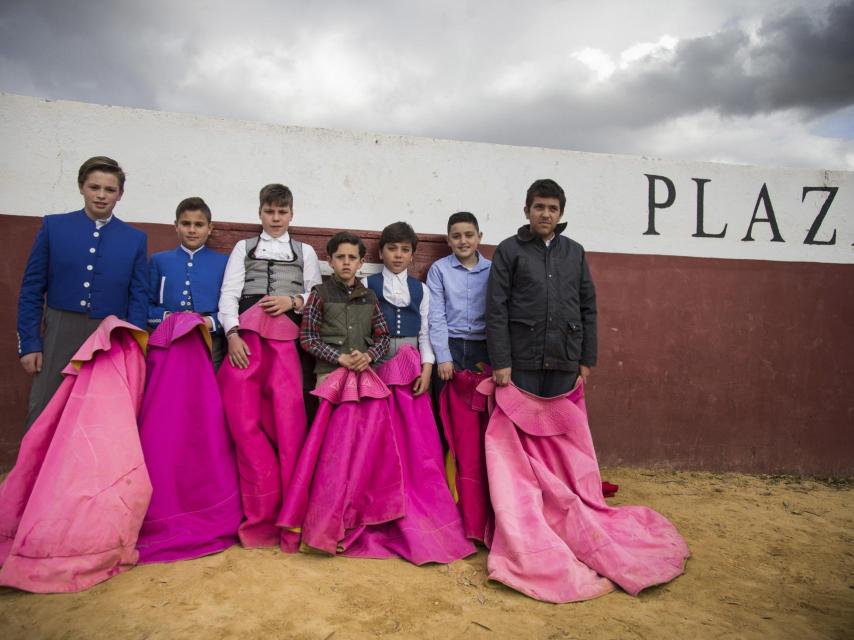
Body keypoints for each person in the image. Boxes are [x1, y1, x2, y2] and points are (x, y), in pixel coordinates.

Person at [17, 156, 148, 429]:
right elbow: (31, 289)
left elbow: (138, 296)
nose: (101, 195)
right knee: (44, 406)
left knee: (99, 412)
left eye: (109, 190)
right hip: (59, 329)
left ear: (120, 194)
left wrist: (133, 346)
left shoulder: (135, 239)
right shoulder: (54, 227)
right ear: (81, 187)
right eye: (94, 187)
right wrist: (29, 343)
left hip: (108, 334)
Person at [486, 178, 597, 397]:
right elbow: (496, 308)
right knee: (521, 419)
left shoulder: (575, 252)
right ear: (526, 211)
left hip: (565, 358)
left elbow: (588, 308)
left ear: (560, 214)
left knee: (560, 420)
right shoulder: (509, 250)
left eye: (553, 209)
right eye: (539, 207)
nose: (546, 214)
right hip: (522, 359)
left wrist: (587, 360)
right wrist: (501, 362)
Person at [218, 183, 322, 370]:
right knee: (242, 379)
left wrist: (292, 301)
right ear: (259, 213)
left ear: (291, 214)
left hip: (288, 327)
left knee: (281, 382)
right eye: (269, 211)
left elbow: (316, 295)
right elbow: (230, 293)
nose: (275, 218)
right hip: (248, 327)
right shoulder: (243, 247)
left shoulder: (305, 251)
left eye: (282, 212)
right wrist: (232, 335)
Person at [147, 197, 228, 368]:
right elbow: (145, 304)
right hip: (167, 340)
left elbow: (231, 306)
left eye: (199, 225)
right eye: (186, 224)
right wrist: (167, 318)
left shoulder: (223, 263)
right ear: (176, 226)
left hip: (209, 343)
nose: (192, 230)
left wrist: (209, 322)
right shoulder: (159, 260)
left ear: (210, 228)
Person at [299, 231, 390, 383]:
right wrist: (339, 357)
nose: (346, 262)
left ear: (360, 263)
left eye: (352, 257)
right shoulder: (320, 293)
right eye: (340, 257)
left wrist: (368, 356)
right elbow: (308, 338)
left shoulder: (370, 296)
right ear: (330, 261)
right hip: (329, 375)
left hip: (363, 375)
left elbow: (384, 337)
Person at [364, 221, 434, 395]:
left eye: (405, 249)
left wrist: (426, 370)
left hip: (410, 364)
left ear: (412, 256)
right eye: (392, 248)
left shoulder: (421, 289)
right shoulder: (367, 284)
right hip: (376, 361)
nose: (398, 255)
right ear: (381, 253)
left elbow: (424, 333)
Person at [427, 211, 492, 381]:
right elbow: (436, 315)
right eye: (456, 236)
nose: (463, 241)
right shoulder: (439, 269)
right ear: (448, 240)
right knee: (446, 395)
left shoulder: (493, 270)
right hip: (450, 344)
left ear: (479, 237)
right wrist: (443, 356)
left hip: (484, 347)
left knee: (480, 396)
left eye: (469, 235)